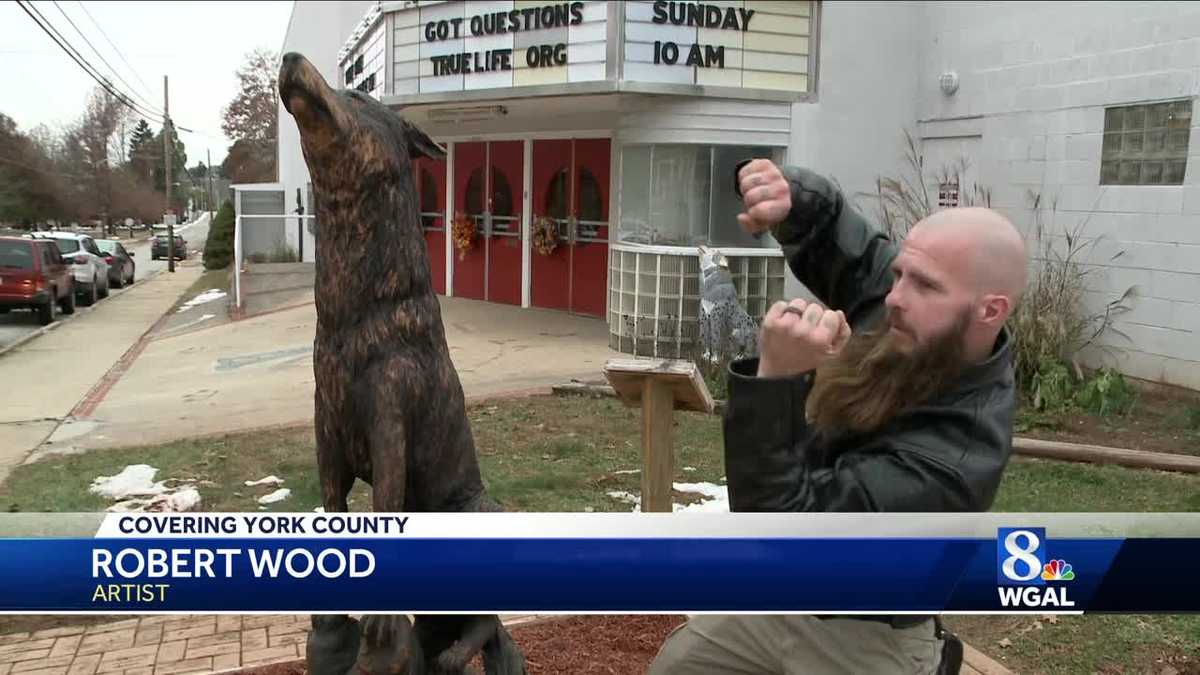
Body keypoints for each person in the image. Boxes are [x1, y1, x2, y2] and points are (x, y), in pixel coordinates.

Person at [648, 160, 1028, 675]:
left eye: (923, 285)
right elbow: (852, 250)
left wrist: (776, 381)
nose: (894, 297)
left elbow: (786, 537)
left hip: (866, 632)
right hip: (783, 604)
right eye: (900, 273)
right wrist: (791, 197)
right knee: (681, 666)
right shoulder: (921, 314)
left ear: (990, 310)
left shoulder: (954, 461)